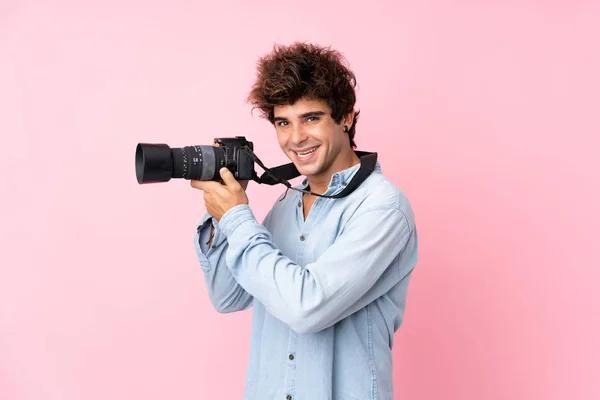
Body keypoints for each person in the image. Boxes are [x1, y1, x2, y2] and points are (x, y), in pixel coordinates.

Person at [191, 42, 418, 400]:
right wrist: (221, 213)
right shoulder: (287, 202)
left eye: (311, 118)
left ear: (346, 117)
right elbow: (228, 296)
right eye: (283, 122)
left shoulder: (382, 208)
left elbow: (306, 307)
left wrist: (237, 217)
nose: (296, 138)